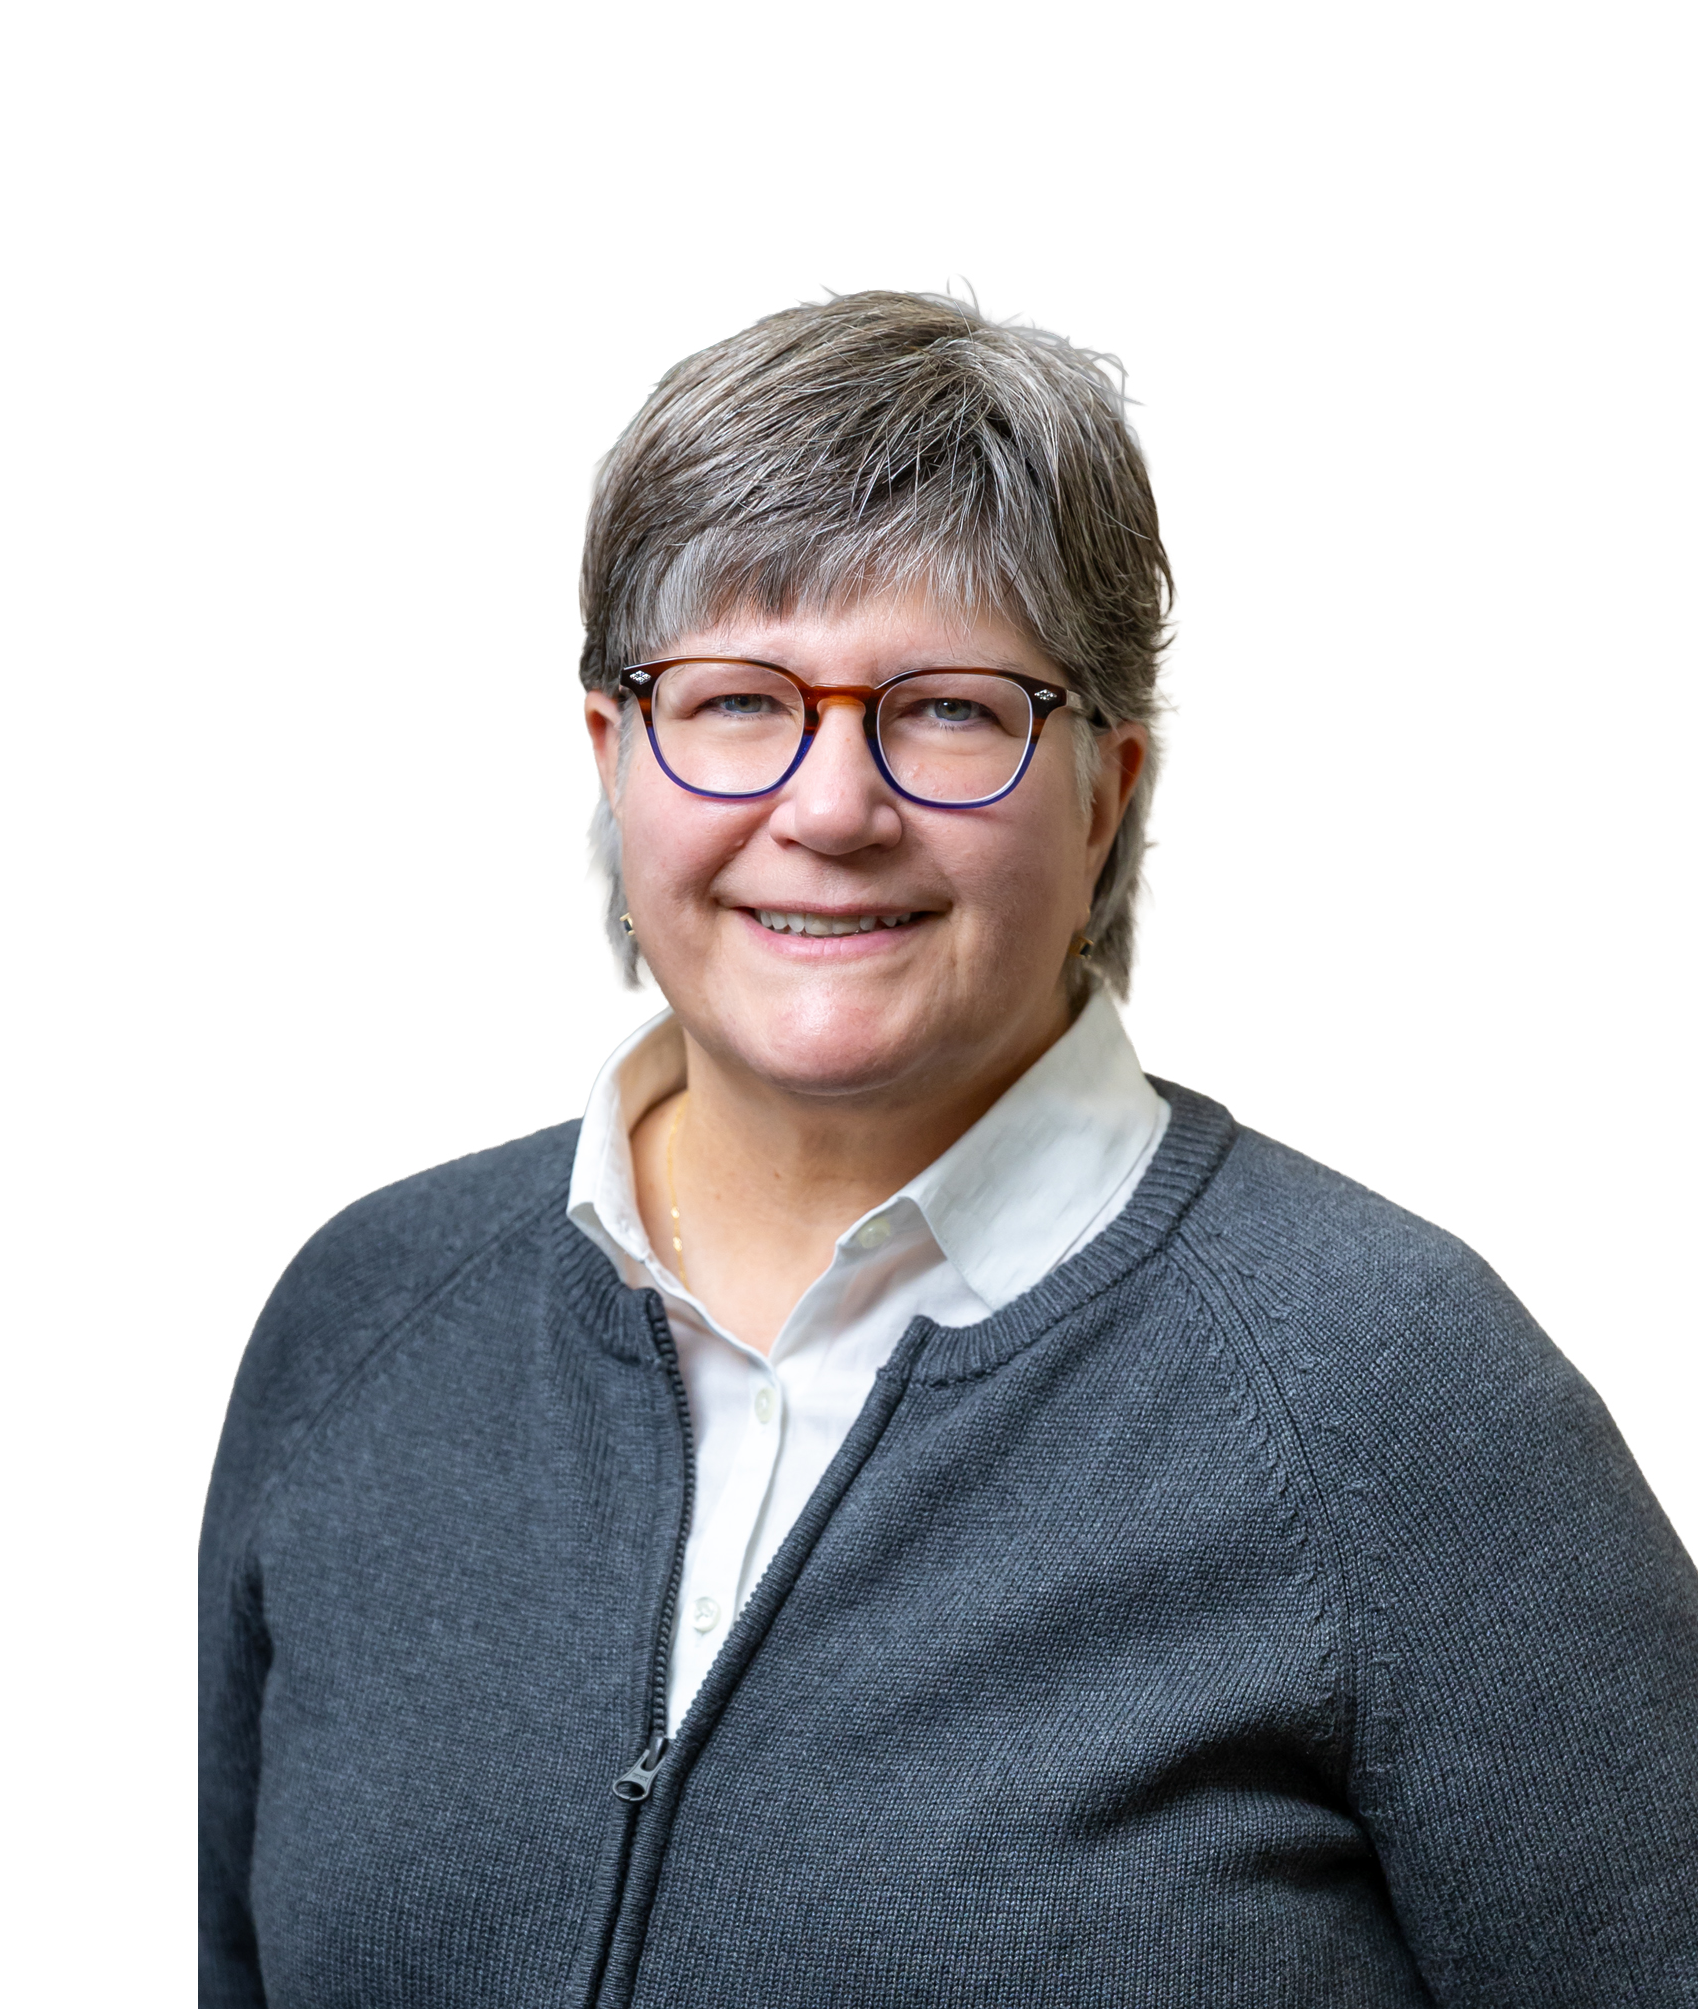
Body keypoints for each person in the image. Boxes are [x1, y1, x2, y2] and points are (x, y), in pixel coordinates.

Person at [199, 291, 1698, 2008]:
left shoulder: (1391, 1396)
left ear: (1109, 789)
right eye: (738, 701)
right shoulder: (364, 1331)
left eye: (950, 711)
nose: (831, 809)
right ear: (615, 759)